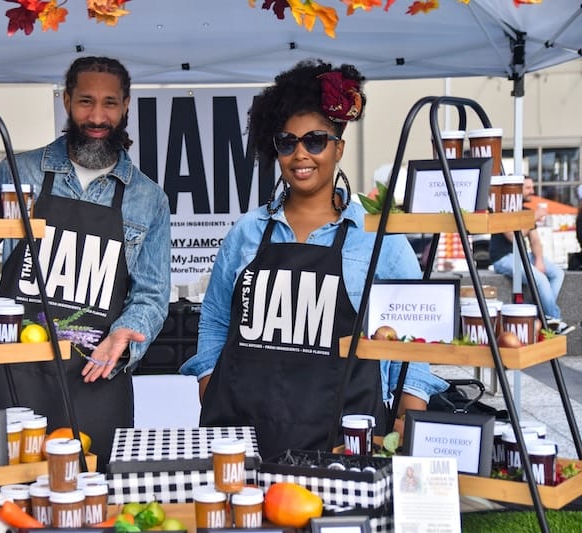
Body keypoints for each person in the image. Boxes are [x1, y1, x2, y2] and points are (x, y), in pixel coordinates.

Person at [179, 60, 447, 458]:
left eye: (315, 140)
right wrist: (209, 386)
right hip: (241, 435)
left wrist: (407, 426)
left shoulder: (377, 238)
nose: (300, 154)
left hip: (346, 440)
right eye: (287, 142)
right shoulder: (247, 231)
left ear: (338, 147)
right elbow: (216, 319)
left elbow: (418, 338)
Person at [0, 56, 171, 468]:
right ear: (66, 101)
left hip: (96, 375)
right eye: (86, 101)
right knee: (3, 495)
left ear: (126, 106)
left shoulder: (149, 198)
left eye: (109, 103)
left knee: (91, 502)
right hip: (13, 371)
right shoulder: (19, 172)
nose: (97, 115)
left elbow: (152, 295)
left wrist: (124, 337)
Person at [489, 176, 565, 325]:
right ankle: (554, 319)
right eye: (528, 188)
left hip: (522, 256)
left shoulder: (526, 211)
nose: (533, 191)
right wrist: (534, 217)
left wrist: (539, 260)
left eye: (532, 187)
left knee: (558, 273)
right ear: (517, 191)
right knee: (541, 280)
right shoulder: (502, 209)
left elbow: (535, 240)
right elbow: (512, 237)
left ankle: (542, 315)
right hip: (504, 257)